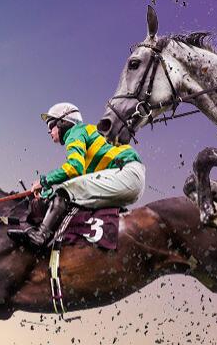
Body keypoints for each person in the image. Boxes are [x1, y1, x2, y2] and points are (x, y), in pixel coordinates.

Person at [9, 103, 145, 249]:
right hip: (127, 178)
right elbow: (79, 181)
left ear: (63, 122)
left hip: (126, 174)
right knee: (75, 195)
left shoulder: (75, 132)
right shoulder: (89, 134)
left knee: (65, 189)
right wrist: (48, 191)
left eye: (50, 125)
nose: (49, 131)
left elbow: (74, 168)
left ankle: (41, 235)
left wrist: (44, 181)